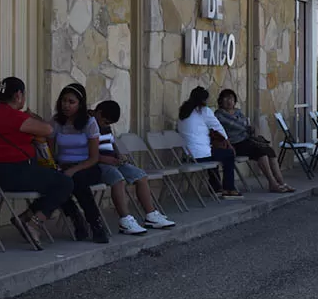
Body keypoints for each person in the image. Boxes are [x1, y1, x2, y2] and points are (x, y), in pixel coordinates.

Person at [0, 76, 75, 251]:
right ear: (18, 95)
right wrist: (32, 117)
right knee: (64, 182)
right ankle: (34, 222)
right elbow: (48, 130)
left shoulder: (1, 113)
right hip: (8, 174)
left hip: (8, 172)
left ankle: (25, 218)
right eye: (23, 95)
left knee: (57, 180)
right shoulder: (10, 115)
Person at [92, 100, 177, 233]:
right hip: (98, 164)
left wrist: (119, 156)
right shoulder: (89, 125)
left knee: (140, 175)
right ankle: (125, 220)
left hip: (113, 161)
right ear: (99, 113)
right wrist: (107, 160)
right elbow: (88, 153)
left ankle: (151, 215)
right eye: (106, 121)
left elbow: (112, 143)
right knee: (117, 179)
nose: (106, 124)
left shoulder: (105, 126)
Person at [48, 83, 110, 244]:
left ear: (80, 104)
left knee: (76, 180)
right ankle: (76, 217)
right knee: (58, 181)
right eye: (63, 101)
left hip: (86, 166)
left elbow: (94, 157)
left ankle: (95, 224)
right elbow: (49, 152)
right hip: (63, 165)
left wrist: (74, 169)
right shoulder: (56, 122)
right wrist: (58, 166)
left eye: (71, 102)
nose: (66, 105)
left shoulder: (89, 123)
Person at [214, 89, 294, 193]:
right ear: (221, 101)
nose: (229, 101)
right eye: (226, 98)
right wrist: (245, 125)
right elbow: (236, 124)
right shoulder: (219, 114)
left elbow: (245, 124)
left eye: (231, 98)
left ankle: (282, 182)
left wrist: (246, 126)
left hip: (246, 140)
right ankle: (272, 183)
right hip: (234, 144)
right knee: (261, 153)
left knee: (270, 151)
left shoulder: (238, 111)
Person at [177, 86, 243, 199]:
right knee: (228, 154)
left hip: (187, 155)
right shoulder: (203, 111)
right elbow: (218, 127)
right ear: (203, 100)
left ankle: (216, 188)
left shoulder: (184, 111)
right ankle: (229, 189)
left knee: (214, 154)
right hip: (200, 155)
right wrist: (229, 144)